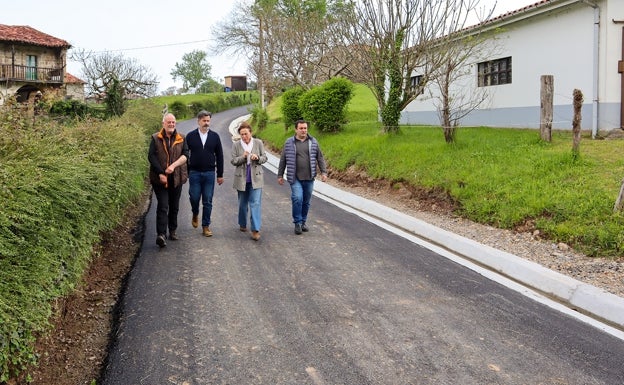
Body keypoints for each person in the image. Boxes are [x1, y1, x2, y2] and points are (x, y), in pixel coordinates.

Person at [277, 119, 328, 234]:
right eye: (301, 128)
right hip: (295, 178)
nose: (303, 130)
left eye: (305, 128)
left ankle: (303, 221)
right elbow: (283, 159)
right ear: (296, 129)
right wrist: (280, 174)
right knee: (297, 198)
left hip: (309, 177)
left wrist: (324, 172)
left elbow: (320, 158)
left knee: (306, 201)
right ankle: (297, 223)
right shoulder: (289, 142)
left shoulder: (313, 142)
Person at [148, 113, 189, 248]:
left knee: (174, 206)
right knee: (163, 205)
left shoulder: (181, 138)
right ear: (163, 123)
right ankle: (161, 234)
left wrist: (173, 166)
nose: (171, 124)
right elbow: (151, 156)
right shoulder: (155, 138)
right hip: (159, 179)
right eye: (168, 122)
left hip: (176, 177)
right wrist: (160, 173)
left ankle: (172, 230)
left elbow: (185, 155)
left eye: (173, 122)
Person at [186, 110, 224, 237]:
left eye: (208, 120)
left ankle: (206, 226)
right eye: (204, 120)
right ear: (198, 121)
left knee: (207, 200)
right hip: (194, 173)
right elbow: (185, 155)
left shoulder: (215, 136)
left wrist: (220, 174)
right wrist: (186, 172)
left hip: (209, 173)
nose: (206, 123)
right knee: (194, 197)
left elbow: (220, 156)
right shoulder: (190, 136)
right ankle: (195, 212)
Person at [231, 121, 268, 241]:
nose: (244, 136)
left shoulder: (258, 143)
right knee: (242, 203)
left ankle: (255, 229)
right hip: (242, 178)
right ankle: (242, 223)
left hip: (256, 178)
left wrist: (257, 158)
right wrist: (243, 157)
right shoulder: (236, 145)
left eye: (246, 134)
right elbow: (233, 161)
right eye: (241, 134)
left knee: (255, 203)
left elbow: (264, 158)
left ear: (250, 133)